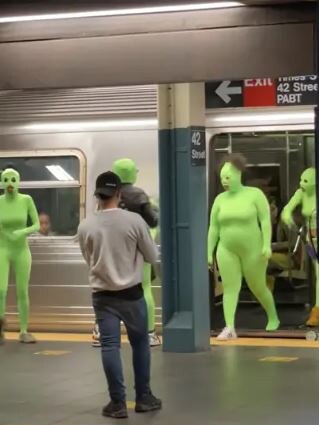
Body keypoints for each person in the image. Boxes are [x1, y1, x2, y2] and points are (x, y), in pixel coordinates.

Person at [78, 171, 162, 419]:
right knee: (140, 345)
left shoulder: (86, 225)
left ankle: (117, 403)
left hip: (103, 297)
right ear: (119, 193)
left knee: (110, 347)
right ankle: (144, 398)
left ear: (97, 194)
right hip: (133, 295)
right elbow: (152, 256)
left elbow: (88, 258)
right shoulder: (135, 221)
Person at [207, 154, 280, 340]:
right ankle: (229, 326)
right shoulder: (220, 199)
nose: (224, 181)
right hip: (226, 248)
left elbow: (265, 221)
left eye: (228, 177)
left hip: (253, 249)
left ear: (239, 173)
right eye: (222, 177)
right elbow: (213, 228)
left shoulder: (255, 195)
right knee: (230, 288)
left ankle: (273, 316)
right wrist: (209, 252)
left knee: (258, 286)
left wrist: (266, 245)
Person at [92, 158, 161, 348]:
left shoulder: (108, 195)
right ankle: (149, 333)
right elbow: (152, 221)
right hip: (137, 250)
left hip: (109, 249)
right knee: (144, 288)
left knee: (105, 288)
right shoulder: (138, 194)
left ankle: (100, 330)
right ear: (131, 173)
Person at [0, 167, 40, 344]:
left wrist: (22, 232)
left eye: (13, 180)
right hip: (2, 248)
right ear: (2, 182)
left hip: (21, 250)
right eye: (6, 180)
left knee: (22, 291)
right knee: (1, 290)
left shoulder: (26, 200)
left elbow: (37, 225)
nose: (10, 183)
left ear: (18, 182)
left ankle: (23, 330)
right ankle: (0, 329)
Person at [282, 167, 319, 326]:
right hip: (312, 241)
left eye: (305, 181)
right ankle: (316, 313)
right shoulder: (300, 194)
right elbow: (286, 210)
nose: (301, 183)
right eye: (301, 180)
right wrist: (290, 221)